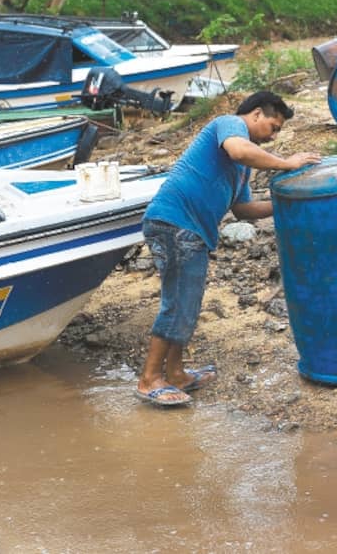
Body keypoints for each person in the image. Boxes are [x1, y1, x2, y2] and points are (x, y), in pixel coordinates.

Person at [135, 91, 321, 407]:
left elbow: (243, 209)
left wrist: (286, 203)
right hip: (173, 221)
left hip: (191, 230)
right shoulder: (229, 125)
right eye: (274, 127)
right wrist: (286, 164)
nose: (274, 135)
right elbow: (237, 150)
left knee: (187, 302)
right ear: (257, 114)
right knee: (177, 301)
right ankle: (149, 379)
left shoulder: (244, 168)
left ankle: (176, 373)